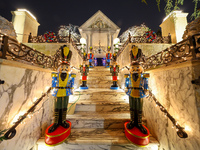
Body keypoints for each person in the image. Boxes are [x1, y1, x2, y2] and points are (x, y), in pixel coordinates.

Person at [48, 46, 76, 133]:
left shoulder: (70, 76)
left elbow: (71, 83)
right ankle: (56, 122)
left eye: (66, 67)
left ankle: (63, 120)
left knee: (64, 105)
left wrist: (71, 88)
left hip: (66, 91)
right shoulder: (56, 75)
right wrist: (53, 88)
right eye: (62, 67)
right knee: (57, 106)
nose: (64, 69)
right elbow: (53, 82)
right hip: (58, 91)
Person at [124, 62, 149, 134]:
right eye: (133, 67)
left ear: (141, 69)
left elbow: (145, 83)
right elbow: (127, 82)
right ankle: (132, 121)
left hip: (140, 92)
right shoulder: (129, 76)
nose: (135, 69)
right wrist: (126, 88)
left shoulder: (143, 76)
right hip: (131, 92)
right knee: (132, 107)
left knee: (139, 108)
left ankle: (139, 123)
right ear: (130, 69)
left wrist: (146, 89)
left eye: (137, 67)